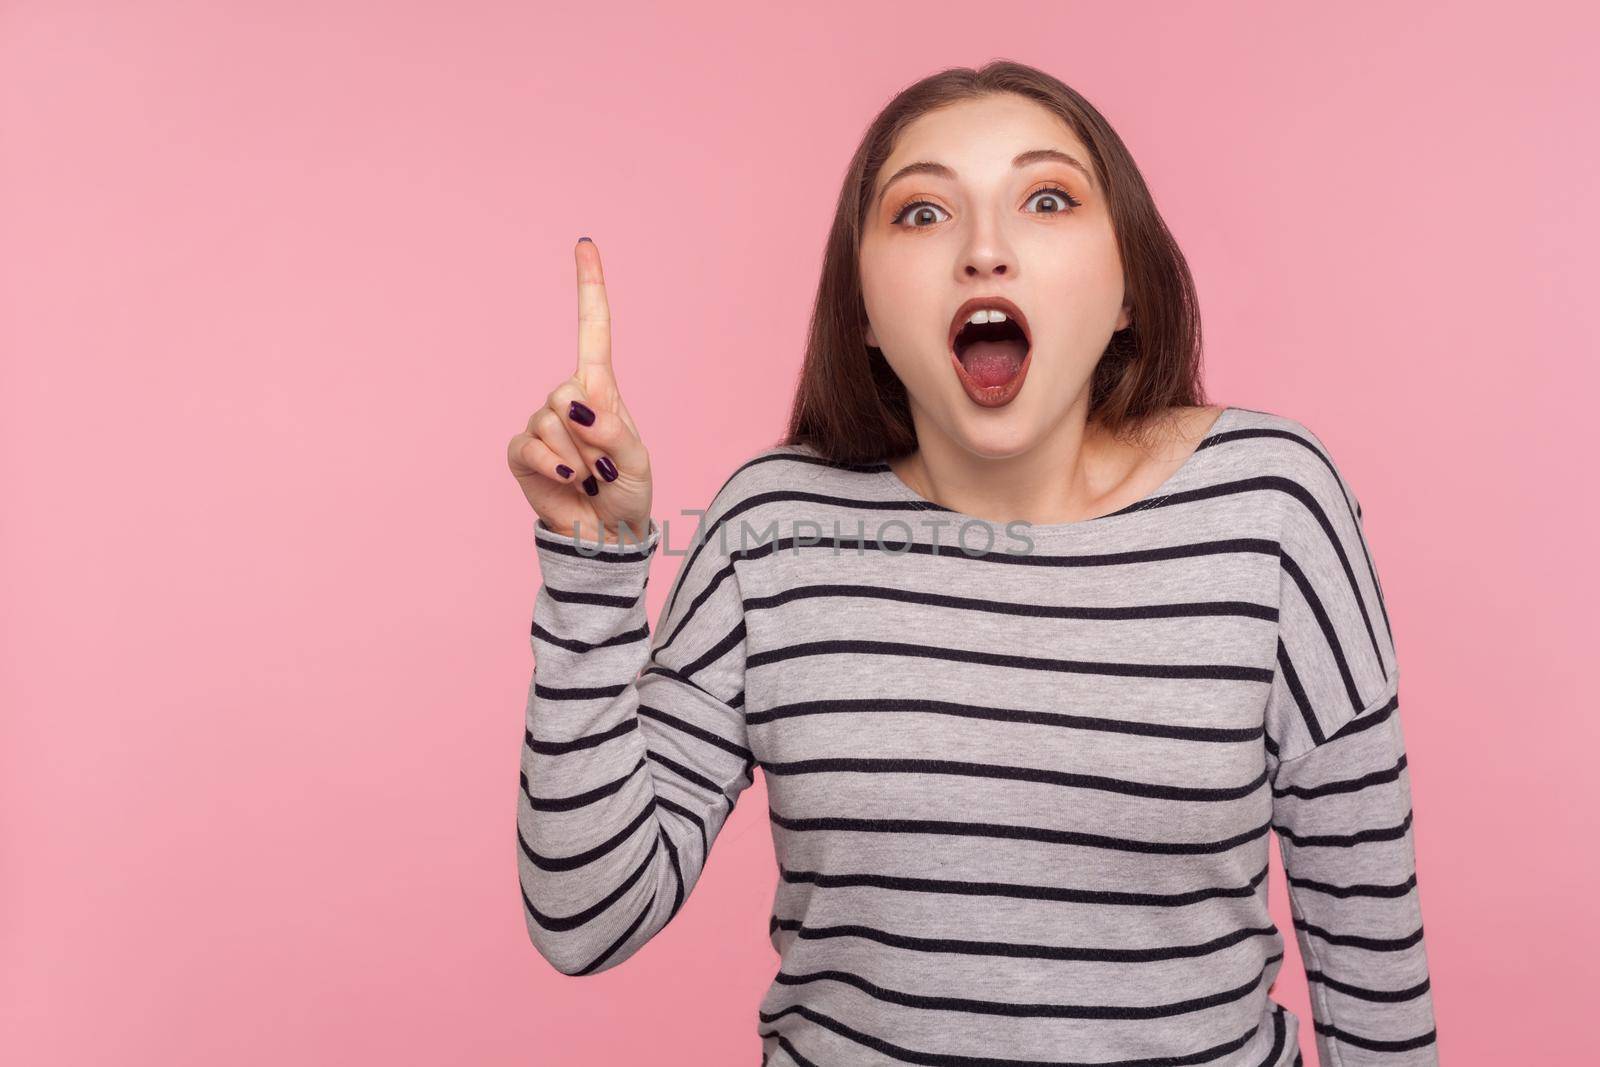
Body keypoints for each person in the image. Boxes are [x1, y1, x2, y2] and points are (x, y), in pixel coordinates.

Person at [507, 61, 1439, 1066]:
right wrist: (591, 564)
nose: (984, 251)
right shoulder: (769, 527)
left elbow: (1369, 959)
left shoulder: (1270, 506)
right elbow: (587, 913)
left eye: (1046, 200)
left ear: (1127, 286)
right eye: (921, 214)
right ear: (861, 310)